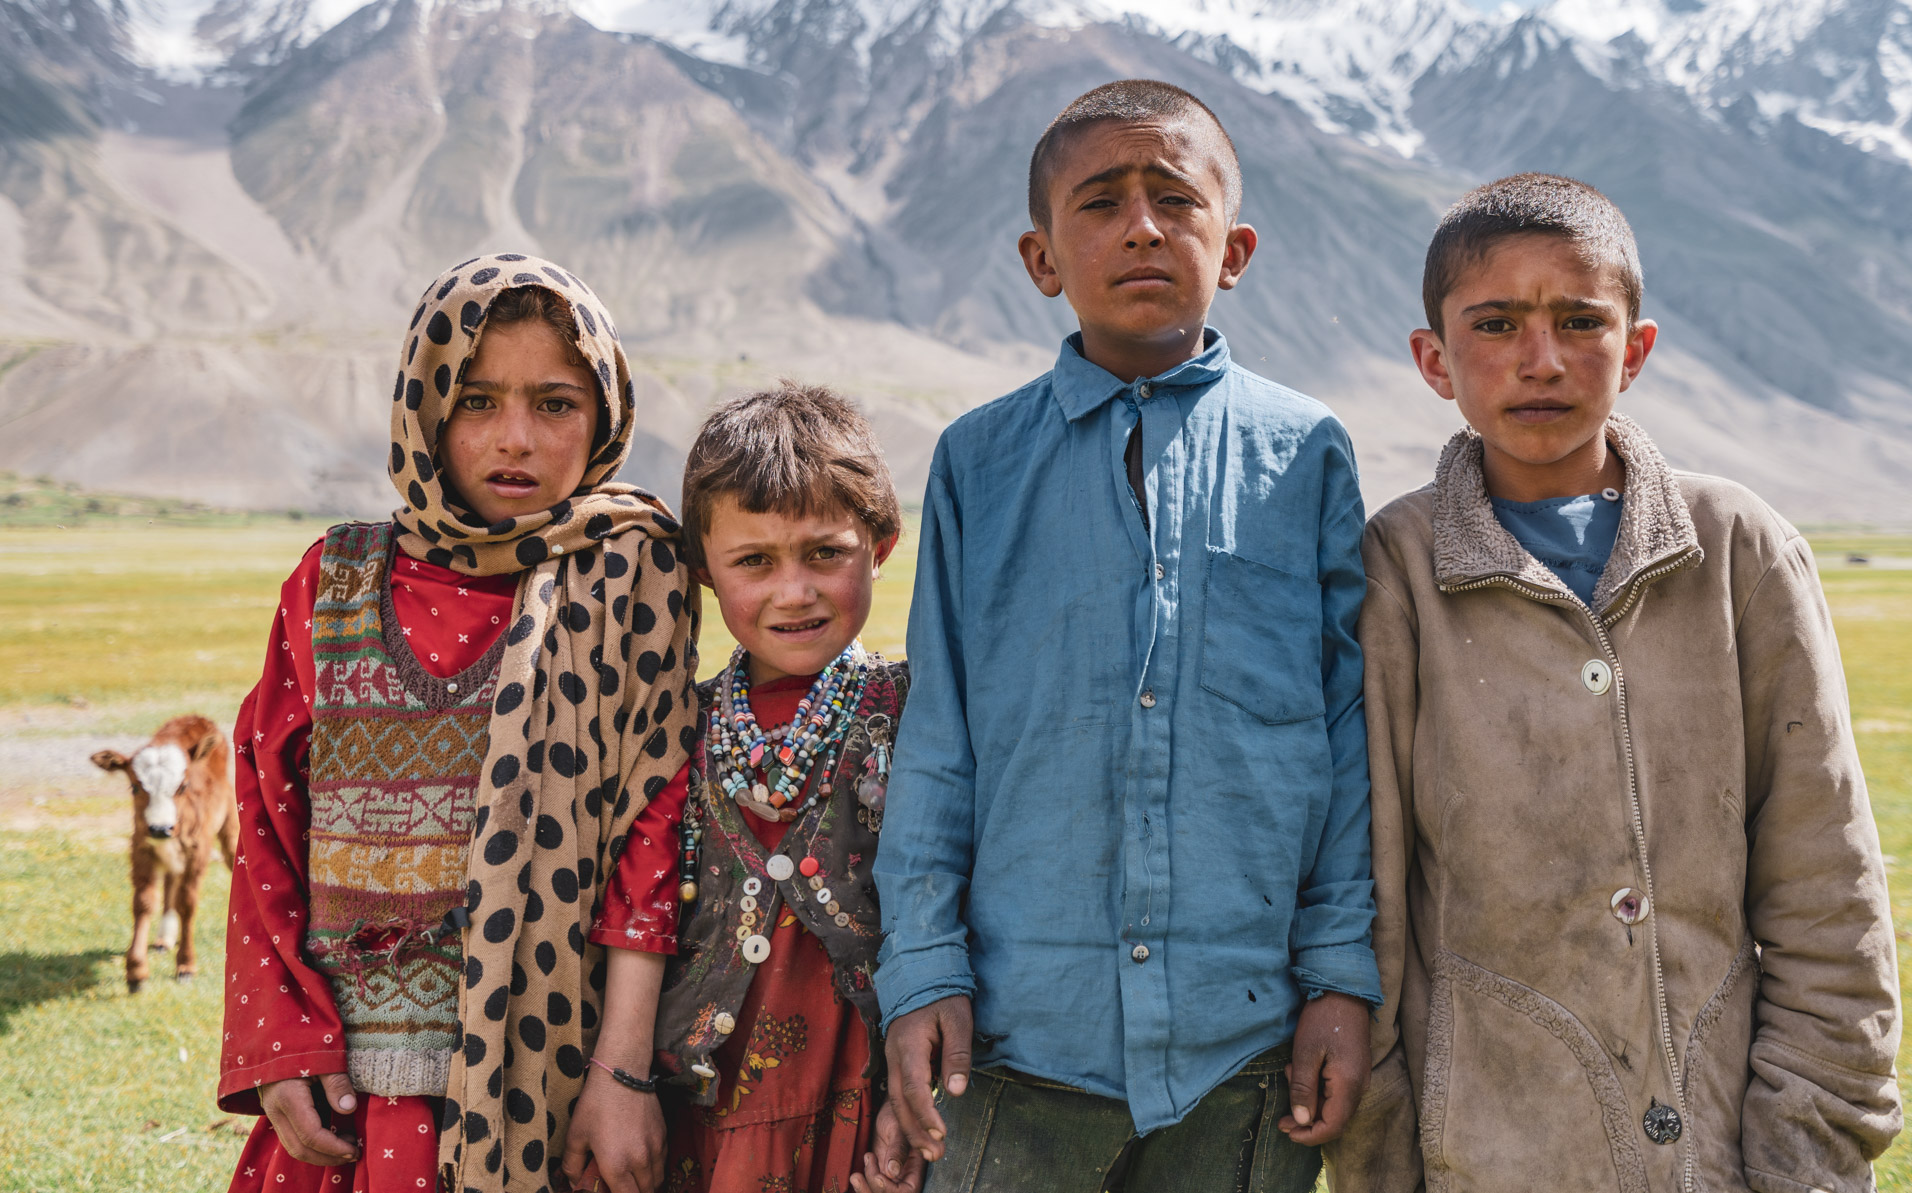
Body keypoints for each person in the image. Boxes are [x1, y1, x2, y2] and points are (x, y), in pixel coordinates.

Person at [1326, 173, 1903, 1191]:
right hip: (1485, 1154)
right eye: (1494, 323)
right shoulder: (1399, 568)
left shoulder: (1738, 551)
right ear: (1431, 359)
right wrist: (1383, 1155)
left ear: (1633, 348)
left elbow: (1826, 882)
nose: (1538, 359)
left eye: (1578, 320)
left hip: (1720, 1149)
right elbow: (1369, 897)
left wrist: (1810, 1148)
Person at [871, 79, 1379, 1193]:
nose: (1141, 225)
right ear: (1041, 257)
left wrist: (1341, 973)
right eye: (1099, 201)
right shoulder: (977, 462)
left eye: (1173, 199)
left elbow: (1344, 738)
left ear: (1232, 247)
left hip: (1242, 1049)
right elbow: (941, 734)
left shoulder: (1305, 454)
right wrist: (919, 967)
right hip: (1014, 1045)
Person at [217, 257, 700, 1193]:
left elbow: (654, 831)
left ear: (605, 414)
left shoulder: (634, 574)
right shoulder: (335, 581)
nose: (514, 438)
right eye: (477, 402)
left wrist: (622, 1069)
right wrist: (283, 1045)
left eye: (555, 404)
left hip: (553, 1082)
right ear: (427, 408)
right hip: (355, 1102)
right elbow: (267, 817)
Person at [563, 383, 924, 1193]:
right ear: (700, 569)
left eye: (824, 553)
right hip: (701, 1103)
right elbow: (639, 902)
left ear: (882, 543)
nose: (793, 591)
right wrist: (618, 1077)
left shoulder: (918, 711)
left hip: (862, 1100)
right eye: (754, 561)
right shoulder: (673, 726)